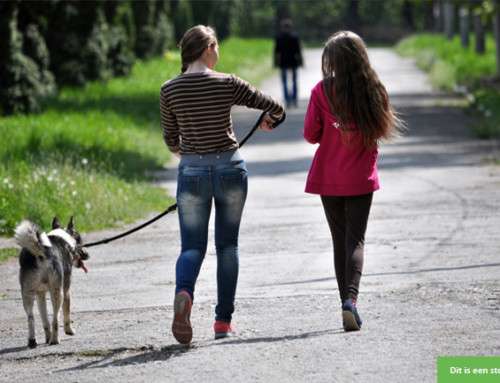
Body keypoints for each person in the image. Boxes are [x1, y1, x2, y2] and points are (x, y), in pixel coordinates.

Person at [160, 25, 285, 344]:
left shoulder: (169, 89)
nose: (218, 53)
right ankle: (222, 322)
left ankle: (184, 294)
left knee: (191, 247)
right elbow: (276, 107)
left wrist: (192, 156)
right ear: (208, 48)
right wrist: (270, 120)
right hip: (231, 170)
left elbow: (172, 141)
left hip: (191, 175)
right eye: (216, 47)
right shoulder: (228, 82)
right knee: (227, 245)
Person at [303, 31, 404, 332]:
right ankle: (352, 301)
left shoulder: (321, 92)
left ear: (331, 61)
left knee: (339, 242)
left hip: (329, 177)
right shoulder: (374, 90)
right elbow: (383, 127)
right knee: (355, 241)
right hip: (360, 177)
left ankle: (343, 304)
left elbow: (310, 134)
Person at [274, 18, 303, 108]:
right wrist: (300, 61)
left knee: (285, 82)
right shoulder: (294, 37)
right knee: (293, 81)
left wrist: (275, 63)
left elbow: (276, 51)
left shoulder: (279, 37)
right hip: (292, 61)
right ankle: (293, 99)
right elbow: (298, 51)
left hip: (283, 62)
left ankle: (288, 99)